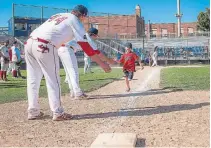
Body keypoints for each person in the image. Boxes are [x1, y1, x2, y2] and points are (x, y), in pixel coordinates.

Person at [25, 5, 112, 121]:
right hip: (45, 45)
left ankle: (33, 111)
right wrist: (102, 64)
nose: (83, 19)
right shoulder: (75, 20)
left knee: (33, 79)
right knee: (53, 80)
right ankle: (58, 112)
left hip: (29, 43)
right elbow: (85, 46)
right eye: (84, 17)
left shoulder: (58, 15)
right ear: (82, 15)